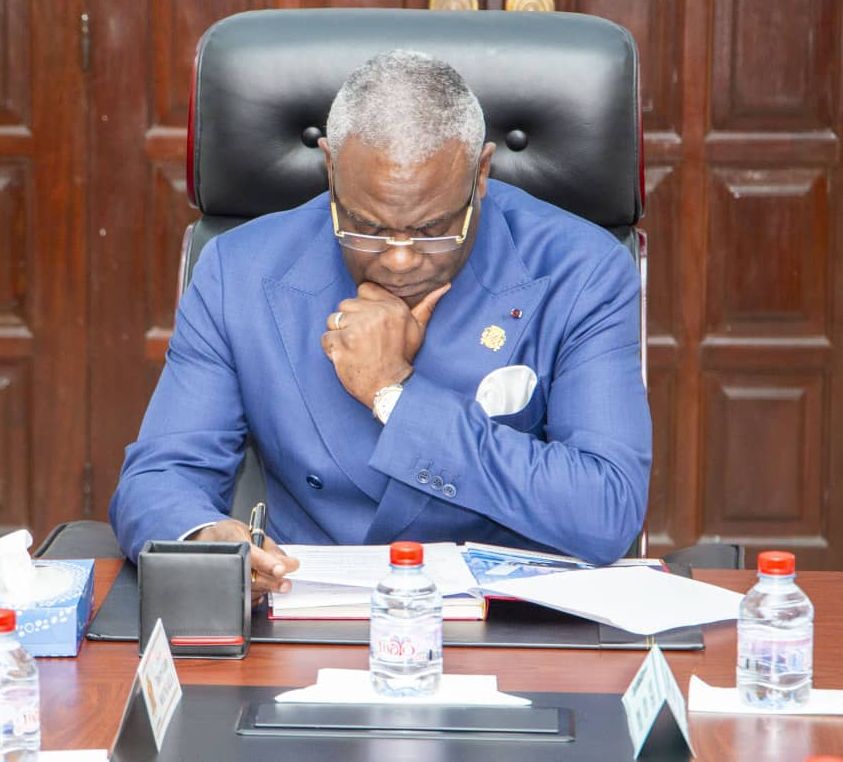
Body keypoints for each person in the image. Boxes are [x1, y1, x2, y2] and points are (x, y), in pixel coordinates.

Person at [109, 49, 652, 599]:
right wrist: (205, 538)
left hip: (508, 624)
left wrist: (397, 393)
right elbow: (158, 479)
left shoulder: (581, 270)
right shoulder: (239, 271)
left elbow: (605, 508)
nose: (398, 258)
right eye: (365, 226)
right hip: (298, 611)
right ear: (329, 166)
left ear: (481, 174)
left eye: (432, 228)